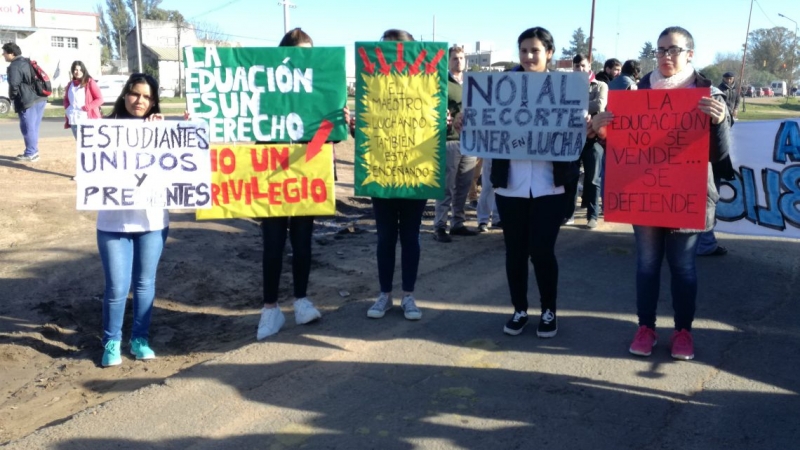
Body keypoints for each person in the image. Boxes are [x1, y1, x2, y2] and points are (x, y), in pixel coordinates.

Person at [593, 26, 735, 360]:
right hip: (645, 195)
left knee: (684, 267)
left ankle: (683, 331)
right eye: (660, 50)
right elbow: (624, 148)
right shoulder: (637, 92)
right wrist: (601, 132)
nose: (665, 56)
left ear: (690, 54)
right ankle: (646, 327)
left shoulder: (708, 93)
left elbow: (722, 158)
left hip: (688, 195)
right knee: (646, 265)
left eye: (673, 50)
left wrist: (719, 122)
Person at [488, 27, 578, 338]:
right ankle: (519, 309)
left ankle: (549, 310)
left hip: (549, 185)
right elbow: (484, 125)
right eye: (524, 50)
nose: (528, 56)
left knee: (541, 250)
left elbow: (575, 133)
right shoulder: (499, 88)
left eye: (535, 50)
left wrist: (588, 126)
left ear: (549, 53)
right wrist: (466, 122)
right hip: (509, 184)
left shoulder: (565, 89)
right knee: (514, 251)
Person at [257, 28, 334, 339]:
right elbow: (244, 121)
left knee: (303, 244)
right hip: (270, 176)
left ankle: (301, 301)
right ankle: (270, 309)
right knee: (273, 245)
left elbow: (330, 130)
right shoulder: (264, 89)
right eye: (299, 52)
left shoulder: (321, 91)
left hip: (306, 176)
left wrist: (336, 121)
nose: (305, 59)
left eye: (309, 53)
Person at [97, 73, 167, 367]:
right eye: (135, 94)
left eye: (147, 97)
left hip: (152, 221)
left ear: (153, 102)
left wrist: (176, 130)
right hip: (113, 223)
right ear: (125, 94)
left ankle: (140, 338)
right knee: (116, 287)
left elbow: (179, 167)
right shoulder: (102, 130)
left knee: (144, 283)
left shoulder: (162, 129)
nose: (140, 101)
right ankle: (111, 341)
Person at [355, 29, 425, 321]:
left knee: (410, 237)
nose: (393, 56)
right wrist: (351, 122)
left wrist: (445, 121)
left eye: (399, 49)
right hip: (381, 173)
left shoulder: (425, 87)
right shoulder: (370, 88)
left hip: (415, 174)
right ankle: (384, 294)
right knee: (385, 237)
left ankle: (408, 295)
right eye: (387, 49)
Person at [433, 44, 479, 242]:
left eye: (461, 58)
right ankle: (439, 226)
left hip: (470, 140)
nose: (458, 61)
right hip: (450, 140)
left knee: (464, 184)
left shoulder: (473, 83)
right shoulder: (442, 83)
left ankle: (457, 223)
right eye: (454, 58)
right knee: (446, 185)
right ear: (448, 61)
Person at [565, 53, 607, 229]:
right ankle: (569, 214)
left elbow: (599, 105)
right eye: (576, 66)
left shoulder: (601, 85)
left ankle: (592, 215)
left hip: (593, 138)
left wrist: (574, 104)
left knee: (592, 179)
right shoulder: (566, 85)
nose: (580, 69)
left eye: (583, 65)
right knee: (571, 178)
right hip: (571, 138)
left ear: (589, 66)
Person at [3, 42, 47, 162]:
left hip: (27, 100)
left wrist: (12, 97)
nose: (3, 55)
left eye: (5, 53)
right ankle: (33, 151)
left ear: (11, 53)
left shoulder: (14, 66)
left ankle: (31, 153)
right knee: (33, 127)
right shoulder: (27, 61)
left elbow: (14, 84)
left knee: (27, 127)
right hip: (40, 98)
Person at [63, 60, 103, 139]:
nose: (78, 72)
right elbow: (66, 99)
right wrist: (67, 107)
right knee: (79, 144)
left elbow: (100, 99)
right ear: (72, 71)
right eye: (76, 70)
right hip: (73, 119)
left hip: (88, 119)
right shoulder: (70, 84)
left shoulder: (90, 82)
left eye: (80, 70)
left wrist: (88, 107)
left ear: (84, 70)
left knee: (89, 143)